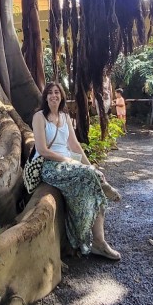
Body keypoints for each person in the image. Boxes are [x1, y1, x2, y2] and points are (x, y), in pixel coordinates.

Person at [31, 82, 121, 260]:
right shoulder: (39, 117)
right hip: (49, 166)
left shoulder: (65, 117)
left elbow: (75, 145)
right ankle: (102, 186)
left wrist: (90, 166)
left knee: (92, 183)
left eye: (57, 92)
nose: (53, 96)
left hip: (69, 165)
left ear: (62, 96)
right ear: (45, 97)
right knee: (91, 180)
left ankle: (99, 242)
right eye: (49, 93)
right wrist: (68, 160)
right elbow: (42, 150)